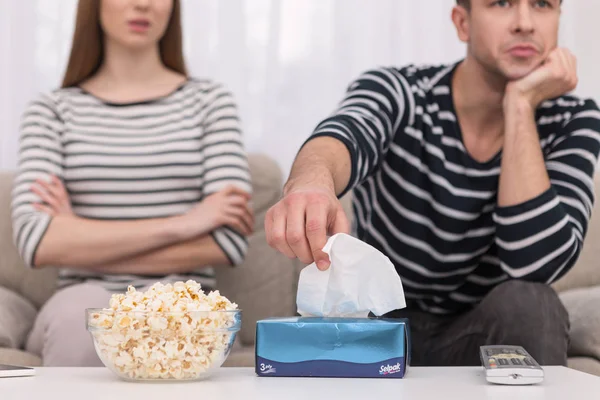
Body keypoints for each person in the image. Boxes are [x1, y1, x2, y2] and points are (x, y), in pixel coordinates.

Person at [265, 0, 600, 366]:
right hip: (381, 327)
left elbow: (536, 266)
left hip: (482, 333)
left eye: (542, 4)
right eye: (501, 3)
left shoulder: (573, 120)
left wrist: (519, 104)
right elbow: (345, 132)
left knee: (533, 302)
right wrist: (311, 183)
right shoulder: (402, 91)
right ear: (462, 23)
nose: (524, 23)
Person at [11, 0, 253, 367]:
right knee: (83, 318)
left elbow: (227, 242)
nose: (143, 4)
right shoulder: (52, 110)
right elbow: (37, 242)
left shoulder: (210, 102)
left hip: (181, 297)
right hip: (82, 298)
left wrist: (78, 235)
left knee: (174, 318)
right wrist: (186, 224)